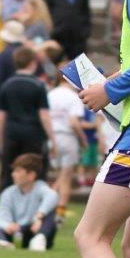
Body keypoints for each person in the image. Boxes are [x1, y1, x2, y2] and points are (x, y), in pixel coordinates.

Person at [0, 153, 59, 250]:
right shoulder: (8, 193)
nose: (13, 174)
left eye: (18, 171)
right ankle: (2, 243)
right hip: (16, 231)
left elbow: (53, 196)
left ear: (31, 175)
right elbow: (0, 216)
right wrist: (8, 225)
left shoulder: (40, 188)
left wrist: (39, 216)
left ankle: (39, 240)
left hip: (33, 230)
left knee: (49, 217)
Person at [0, 46, 55, 191]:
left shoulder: (7, 85)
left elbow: (1, 116)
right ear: (33, 63)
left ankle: (5, 204)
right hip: (33, 134)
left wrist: (0, 139)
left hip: (12, 133)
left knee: (9, 171)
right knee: (34, 169)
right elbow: (44, 115)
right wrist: (52, 138)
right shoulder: (38, 85)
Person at [48, 71, 87, 219]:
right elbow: (73, 123)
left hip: (52, 137)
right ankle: (59, 213)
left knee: (59, 175)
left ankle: (49, 208)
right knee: (66, 177)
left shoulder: (51, 94)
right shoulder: (73, 97)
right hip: (67, 137)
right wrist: (83, 140)